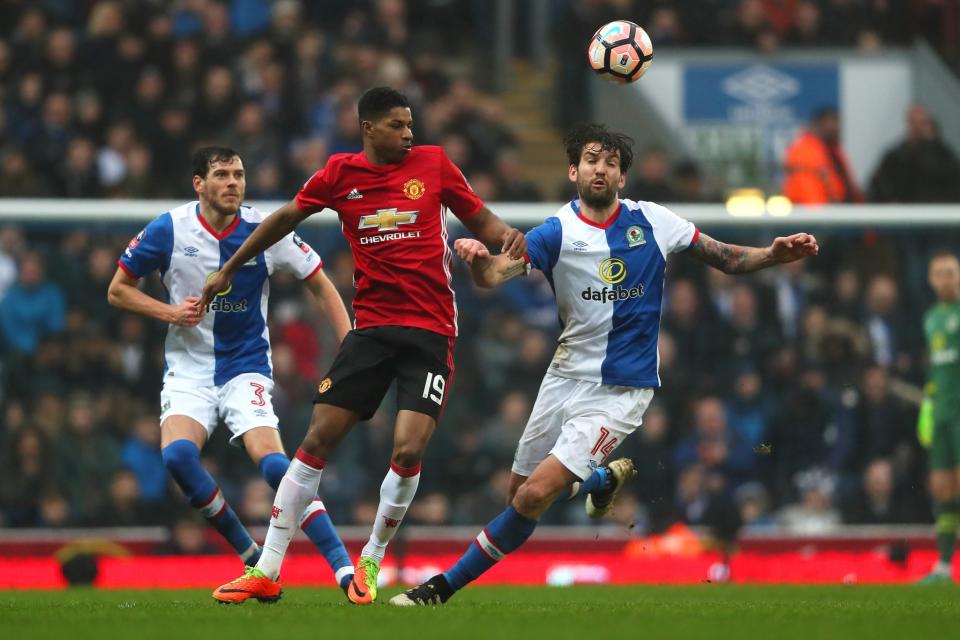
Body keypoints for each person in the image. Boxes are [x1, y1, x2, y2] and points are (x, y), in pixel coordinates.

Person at [390, 123, 818, 606]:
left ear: (621, 177)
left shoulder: (653, 221)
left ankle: (439, 589)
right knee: (518, 495)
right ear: (574, 171)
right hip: (565, 375)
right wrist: (474, 258)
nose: (601, 168)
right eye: (592, 160)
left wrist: (772, 254)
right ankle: (601, 479)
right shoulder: (557, 232)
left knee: (533, 497)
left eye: (611, 163)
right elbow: (493, 275)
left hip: (621, 387)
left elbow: (722, 257)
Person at [204, 87, 526, 605]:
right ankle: (266, 568)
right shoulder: (339, 174)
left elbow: (484, 220)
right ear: (368, 128)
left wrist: (512, 240)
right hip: (371, 330)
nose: (409, 134)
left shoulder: (434, 164)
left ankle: (371, 560)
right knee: (315, 442)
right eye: (397, 125)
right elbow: (286, 217)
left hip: (431, 330)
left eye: (411, 125)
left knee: (407, 448)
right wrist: (229, 267)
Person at [107, 146, 355, 596]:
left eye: (239, 174)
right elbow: (117, 290)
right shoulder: (169, 229)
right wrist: (168, 313)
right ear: (198, 184)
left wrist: (350, 343)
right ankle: (252, 558)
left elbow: (320, 279)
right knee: (178, 458)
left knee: (277, 466)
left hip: (246, 367)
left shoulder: (265, 230)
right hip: (188, 371)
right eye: (222, 174)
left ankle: (343, 569)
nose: (233, 183)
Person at [918, 251, 960, 582]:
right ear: (931, 280)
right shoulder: (931, 318)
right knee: (943, 489)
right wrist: (929, 407)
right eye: (940, 273)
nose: (946, 278)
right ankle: (944, 566)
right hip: (943, 414)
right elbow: (936, 369)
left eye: (951, 272)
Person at [782, 106, 862, 204]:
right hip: (817, 214)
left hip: (838, 211)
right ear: (818, 124)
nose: (836, 127)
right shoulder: (804, 151)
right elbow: (807, 190)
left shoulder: (832, 150)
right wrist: (819, 215)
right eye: (832, 122)